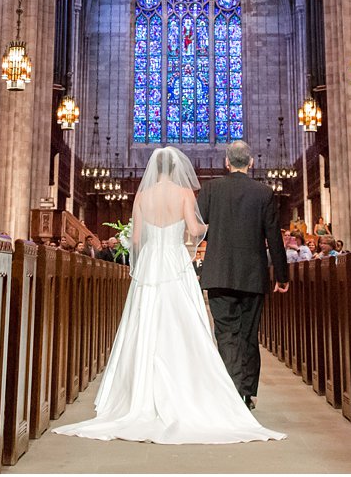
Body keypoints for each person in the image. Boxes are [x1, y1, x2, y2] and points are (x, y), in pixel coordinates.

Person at [53, 147, 283, 445]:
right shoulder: (185, 193)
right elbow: (195, 229)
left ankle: (141, 393)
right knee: (183, 325)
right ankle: (210, 388)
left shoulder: (142, 196)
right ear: (176, 168)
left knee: (146, 321)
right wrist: (218, 228)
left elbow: (135, 239)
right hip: (175, 264)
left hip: (149, 265)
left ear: (154, 168)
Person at [197, 139, 290, 410]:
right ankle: (247, 393)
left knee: (226, 334)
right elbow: (274, 237)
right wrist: (282, 276)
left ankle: (231, 392)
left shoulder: (211, 189)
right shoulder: (264, 192)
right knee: (249, 334)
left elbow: (199, 229)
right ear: (251, 162)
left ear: (226, 162)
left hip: (219, 272)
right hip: (252, 274)